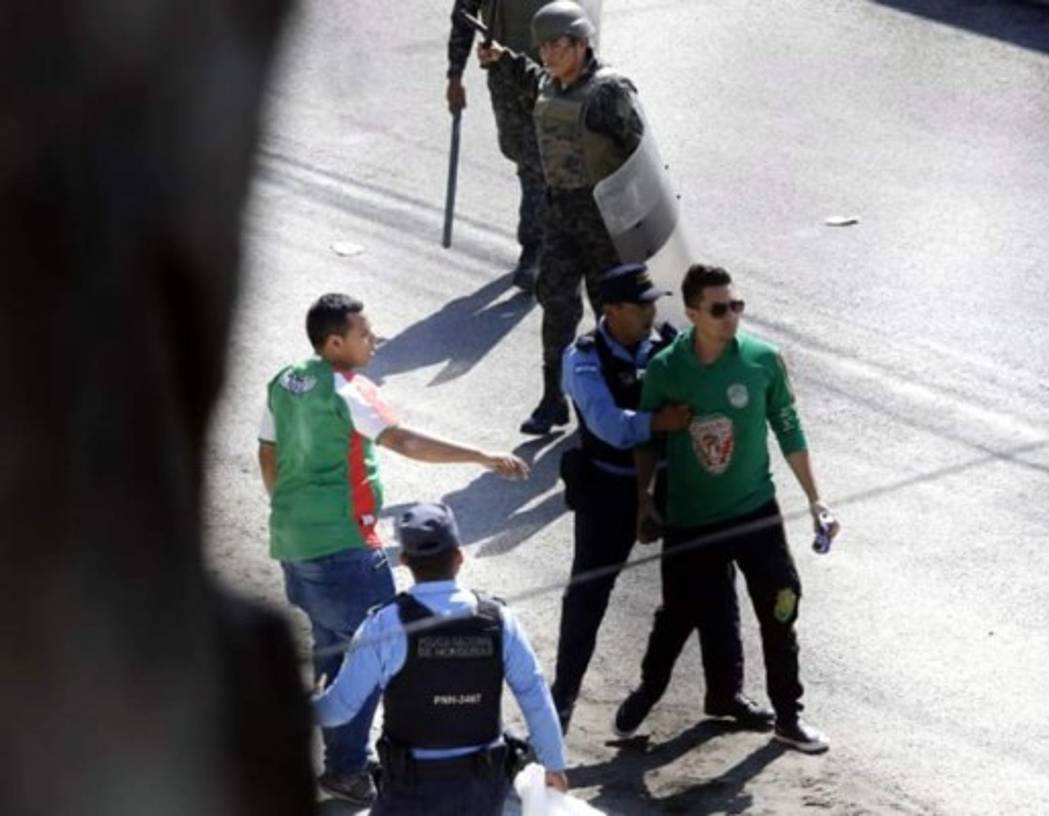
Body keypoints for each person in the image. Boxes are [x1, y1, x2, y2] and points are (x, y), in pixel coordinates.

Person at [258, 293, 530, 804]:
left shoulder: (286, 380)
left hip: (294, 543)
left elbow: (267, 453)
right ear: (335, 341)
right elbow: (404, 442)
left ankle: (339, 759)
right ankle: (343, 763)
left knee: (335, 648)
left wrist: (295, 513)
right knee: (374, 659)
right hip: (346, 548)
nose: (375, 340)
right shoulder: (352, 388)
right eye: (365, 333)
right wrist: (481, 456)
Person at [618, 264, 842, 753]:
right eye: (718, 309)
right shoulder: (666, 368)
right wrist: (645, 499)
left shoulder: (763, 360)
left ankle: (788, 717)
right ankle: (650, 690)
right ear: (693, 313)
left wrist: (815, 500)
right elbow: (649, 439)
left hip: (755, 511)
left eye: (736, 305)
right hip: (693, 519)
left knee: (781, 607)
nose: (730, 316)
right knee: (679, 614)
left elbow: (789, 430)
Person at [550, 263, 774, 734]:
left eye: (654, 301)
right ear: (611, 310)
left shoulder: (668, 345)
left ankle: (725, 691)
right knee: (589, 595)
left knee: (710, 586)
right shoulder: (585, 357)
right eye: (642, 304)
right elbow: (609, 426)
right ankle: (561, 701)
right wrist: (658, 422)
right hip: (609, 490)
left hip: (677, 487)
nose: (653, 310)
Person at [313, 502, 568, 815]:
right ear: (459, 556)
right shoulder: (499, 620)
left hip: (409, 791)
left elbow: (338, 711)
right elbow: (535, 695)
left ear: (404, 560)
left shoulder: (383, 625)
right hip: (482, 790)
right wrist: (554, 765)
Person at [477, 0, 647, 435]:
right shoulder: (552, 84)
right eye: (543, 47)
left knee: (610, 315)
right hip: (560, 219)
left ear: (582, 44)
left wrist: (636, 226)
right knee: (555, 307)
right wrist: (505, 58)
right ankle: (553, 400)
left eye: (557, 45)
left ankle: (612, 403)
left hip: (603, 223)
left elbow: (640, 157)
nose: (548, 54)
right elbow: (535, 80)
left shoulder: (609, 92)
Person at [446, 0, 549, 289]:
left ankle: (534, 251)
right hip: (504, 77)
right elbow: (463, 19)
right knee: (521, 155)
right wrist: (455, 76)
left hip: (549, 75)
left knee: (535, 166)